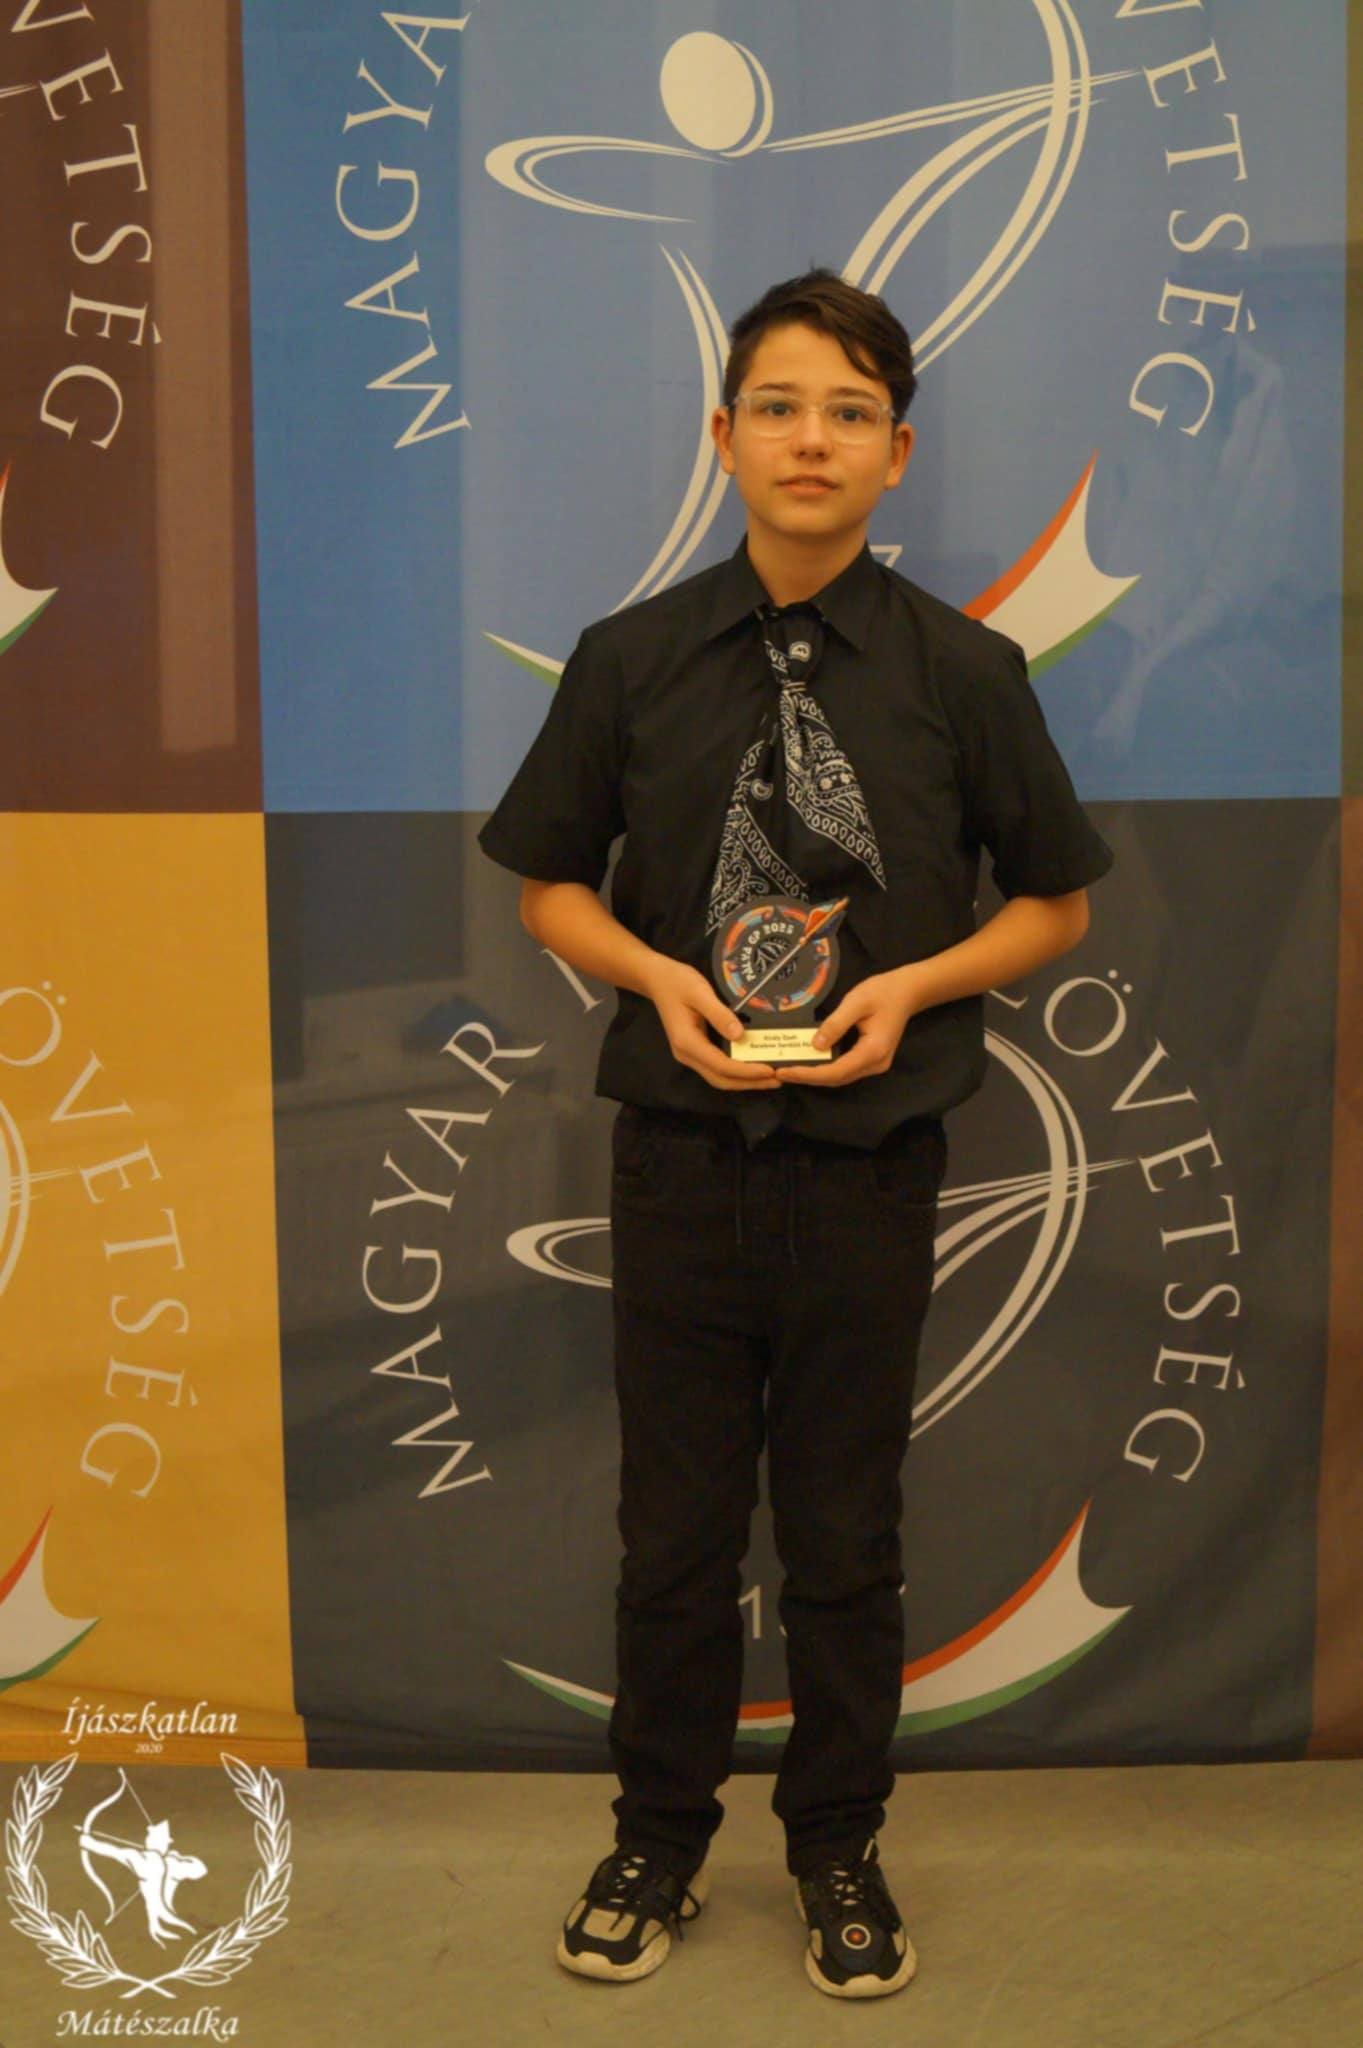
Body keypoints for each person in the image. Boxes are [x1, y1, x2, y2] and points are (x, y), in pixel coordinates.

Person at [477, 269, 1113, 2000]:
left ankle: (837, 1842)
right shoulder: (629, 661)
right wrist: (657, 982)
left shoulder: (965, 671)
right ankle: (658, 1838)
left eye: (849, 412)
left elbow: (1053, 903)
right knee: (674, 1532)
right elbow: (549, 886)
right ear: (724, 436)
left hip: (870, 1160)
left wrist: (912, 988)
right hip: (682, 1155)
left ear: (897, 453)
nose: (809, 439)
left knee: (845, 1530)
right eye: (778, 406)